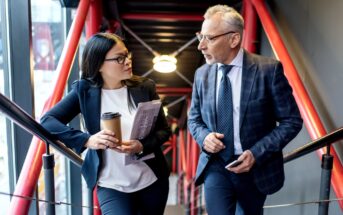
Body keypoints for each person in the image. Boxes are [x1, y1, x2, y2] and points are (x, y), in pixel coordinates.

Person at [187, 5, 303, 215]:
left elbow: (291, 121)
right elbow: (193, 119)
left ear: (234, 39)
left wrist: (256, 153)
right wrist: (204, 137)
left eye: (209, 38)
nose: (201, 46)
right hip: (215, 167)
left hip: (254, 168)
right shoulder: (201, 74)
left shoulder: (269, 70)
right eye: (200, 37)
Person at [40, 33, 171, 215]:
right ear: (99, 64)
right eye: (119, 58)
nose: (127, 61)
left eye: (127, 55)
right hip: (111, 185)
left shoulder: (145, 87)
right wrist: (87, 140)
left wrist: (141, 145)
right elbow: (48, 121)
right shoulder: (84, 91)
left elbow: (164, 131)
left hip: (151, 181)